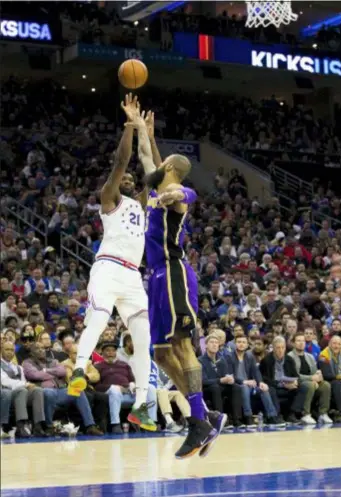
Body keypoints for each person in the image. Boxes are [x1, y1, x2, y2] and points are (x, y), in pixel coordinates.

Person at [137, 109, 226, 459]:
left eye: (163, 167)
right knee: (158, 352)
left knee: (182, 345)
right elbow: (148, 160)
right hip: (157, 277)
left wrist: (175, 195)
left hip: (174, 272)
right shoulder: (160, 182)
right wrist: (143, 132)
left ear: (170, 169)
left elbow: (184, 194)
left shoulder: (174, 188)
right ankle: (206, 416)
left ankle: (198, 421)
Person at [68, 95, 157, 432]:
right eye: (125, 179)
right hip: (107, 267)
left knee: (145, 338)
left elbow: (157, 174)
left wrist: (148, 134)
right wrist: (130, 129)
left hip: (133, 277)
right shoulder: (110, 198)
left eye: (134, 180)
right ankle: (78, 369)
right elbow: (123, 159)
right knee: (100, 318)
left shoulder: (142, 204)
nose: (130, 179)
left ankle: (142, 406)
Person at [95, 342, 157, 434]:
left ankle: (151, 421)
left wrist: (133, 386)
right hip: (112, 395)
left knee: (150, 388)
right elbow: (96, 387)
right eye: (107, 351)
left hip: (129, 393)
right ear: (102, 353)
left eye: (113, 351)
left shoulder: (124, 365)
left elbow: (132, 380)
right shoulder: (98, 366)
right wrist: (114, 387)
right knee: (114, 390)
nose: (110, 353)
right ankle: (115, 424)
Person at [1, 341, 47, 437]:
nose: (10, 352)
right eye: (7, 349)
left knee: (37, 390)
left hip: (20, 393)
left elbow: (23, 381)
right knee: (22, 390)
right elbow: (5, 381)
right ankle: (20, 426)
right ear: (1, 350)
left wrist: (28, 385)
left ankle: (38, 426)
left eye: (12, 350)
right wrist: (25, 384)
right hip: (7, 393)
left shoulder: (19, 367)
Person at [288, 333, 332, 424]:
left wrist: (318, 375)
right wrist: (312, 378)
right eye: (298, 341)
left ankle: (323, 413)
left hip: (311, 382)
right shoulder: (290, 356)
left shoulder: (310, 356)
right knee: (310, 385)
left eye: (303, 341)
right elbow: (294, 375)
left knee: (326, 385)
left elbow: (315, 372)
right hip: (297, 383)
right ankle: (306, 414)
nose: (301, 343)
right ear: (293, 343)